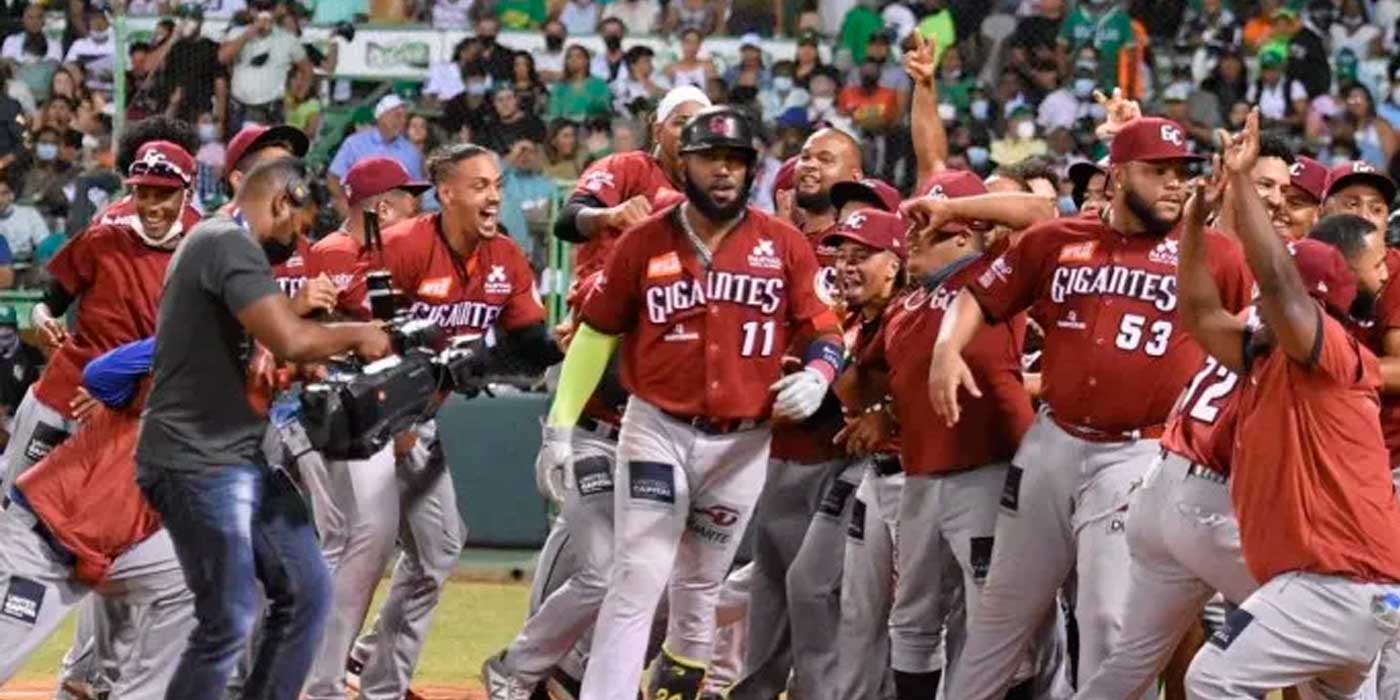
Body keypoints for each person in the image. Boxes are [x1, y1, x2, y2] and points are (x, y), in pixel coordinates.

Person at [923, 117, 1254, 699]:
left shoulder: (1215, 255)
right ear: (1119, 174)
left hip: (1141, 451)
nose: (1174, 185)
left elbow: (1247, 345)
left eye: (1182, 173)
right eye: (1158, 172)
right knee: (1001, 613)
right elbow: (977, 297)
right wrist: (947, 349)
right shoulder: (1056, 241)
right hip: (1052, 442)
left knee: (1109, 621)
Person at [534, 105, 842, 700]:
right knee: (638, 576)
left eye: (737, 160)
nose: (724, 172)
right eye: (711, 159)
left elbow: (825, 330)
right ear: (685, 164)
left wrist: (821, 373)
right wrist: (559, 428)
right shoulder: (643, 241)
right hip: (657, 428)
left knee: (700, 587)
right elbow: (596, 333)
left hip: (744, 443)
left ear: (752, 170)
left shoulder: (783, 245)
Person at [135, 156, 389, 700]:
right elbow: (291, 338)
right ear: (281, 200)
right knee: (227, 617)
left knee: (308, 590)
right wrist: (358, 334)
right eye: (297, 225)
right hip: (194, 458)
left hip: (236, 454)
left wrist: (297, 363)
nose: (297, 239)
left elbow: (266, 354)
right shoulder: (225, 241)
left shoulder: (229, 246)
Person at [1179, 109, 1400, 700]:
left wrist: (1245, 181)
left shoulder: (1332, 352)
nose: (1257, 302)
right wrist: (1194, 229)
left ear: (1310, 301)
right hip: (1353, 591)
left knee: (1211, 680)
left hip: (1337, 585)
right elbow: (1200, 314)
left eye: (1272, 298)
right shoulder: (1267, 354)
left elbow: (1278, 282)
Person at [301, 156, 434, 700]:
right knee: (353, 540)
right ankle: (316, 677)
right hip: (338, 414)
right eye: (407, 197)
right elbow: (335, 328)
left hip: (369, 411)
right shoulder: (336, 251)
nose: (416, 207)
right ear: (382, 206)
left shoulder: (379, 254)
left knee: (373, 541)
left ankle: (327, 673)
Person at [0, 335, 196, 698]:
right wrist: (192, 331)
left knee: (194, 578)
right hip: (43, 540)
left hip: (111, 550)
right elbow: (100, 374)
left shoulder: (235, 402)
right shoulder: (154, 382)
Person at [553, 85, 710, 283]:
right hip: (603, 301)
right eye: (681, 123)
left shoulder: (709, 194)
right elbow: (566, 222)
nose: (690, 133)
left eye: (700, 126)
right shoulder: (624, 167)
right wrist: (610, 215)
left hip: (666, 306)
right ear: (657, 131)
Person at [218, 4, 312, 128]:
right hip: (240, 107)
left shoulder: (287, 39)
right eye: (259, 9)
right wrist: (248, 34)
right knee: (240, 146)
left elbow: (307, 70)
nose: (264, 14)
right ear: (252, 11)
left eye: (269, 9)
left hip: (271, 109)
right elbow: (222, 58)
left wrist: (296, 100)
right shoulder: (237, 33)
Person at [328, 95, 423, 215]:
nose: (403, 121)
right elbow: (333, 177)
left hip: (394, 216)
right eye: (397, 116)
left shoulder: (411, 152)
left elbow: (417, 192)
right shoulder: (354, 144)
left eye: (405, 117)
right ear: (381, 116)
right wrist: (344, 204)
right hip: (358, 210)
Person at [147, 3, 227, 127]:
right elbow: (148, 67)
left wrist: (220, 120)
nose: (186, 23)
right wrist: (172, 39)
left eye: (191, 19)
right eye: (182, 18)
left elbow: (220, 83)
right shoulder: (171, 44)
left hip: (200, 112)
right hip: (170, 111)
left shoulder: (211, 47)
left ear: (200, 22)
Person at [547, 45, 613, 124]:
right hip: (565, 128)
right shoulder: (559, 86)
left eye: (578, 57)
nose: (573, 60)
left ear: (587, 61)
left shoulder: (599, 84)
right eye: (569, 57)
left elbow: (604, 109)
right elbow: (555, 113)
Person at [63, 5, 115, 99]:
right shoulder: (78, 45)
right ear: (88, 22)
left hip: (113, 95)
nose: (98, 23)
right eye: (94, 19)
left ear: (109, 22)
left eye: (103, 19)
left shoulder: (119, 45)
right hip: (84, 97)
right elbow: (67, 71)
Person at [482, 87, 547, 157]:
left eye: (509, 98)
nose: (505, 104)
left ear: (517, 100)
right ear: (494, 104)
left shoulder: (534, 124)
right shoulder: (488, 129)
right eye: (500, 100)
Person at [0, 174, 49, 262]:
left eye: (3, 194)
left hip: (27, 266)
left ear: (11, 195)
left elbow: (44, 244)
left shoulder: (29, 214)